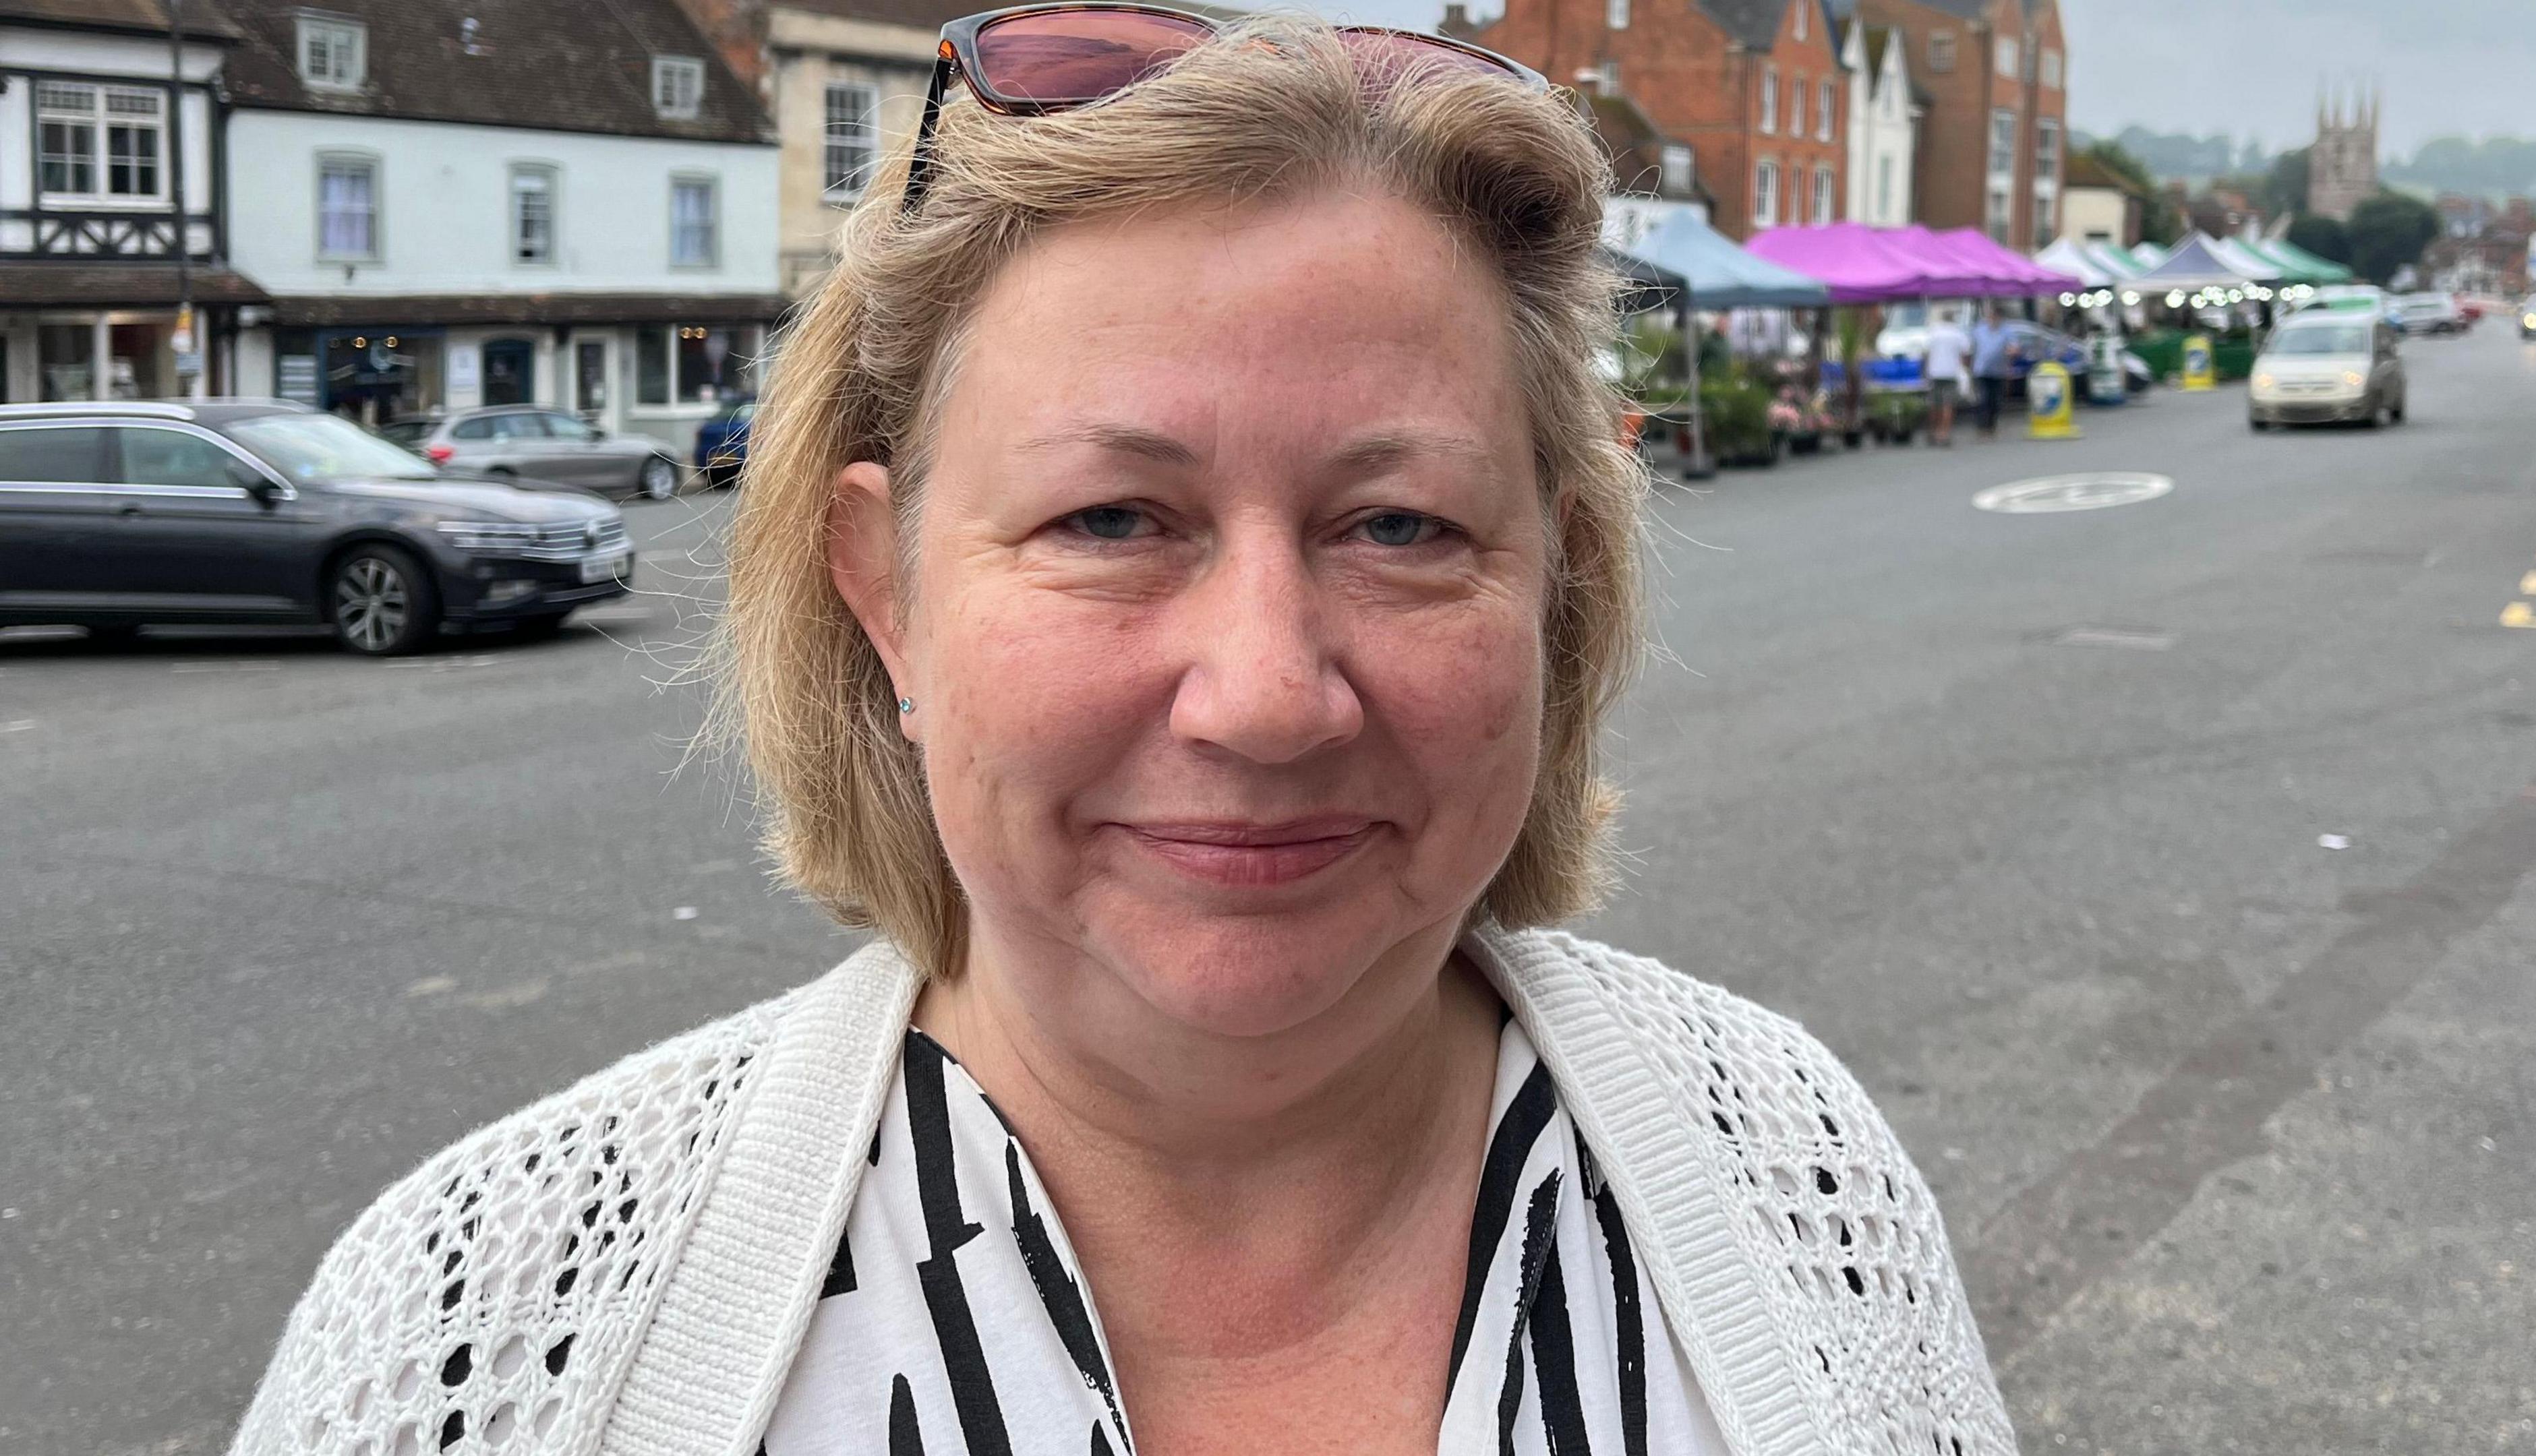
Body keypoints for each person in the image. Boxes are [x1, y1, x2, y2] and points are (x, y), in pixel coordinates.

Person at [225, 14, 2013, 1456]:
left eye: (1402, 527)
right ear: (887, 590)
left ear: (1556, 586)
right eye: (1110, 521)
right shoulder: (484, 1328)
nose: (1262, 697)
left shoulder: (1791, 1176)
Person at [1924, 307, 1974, 446]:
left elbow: (1926, 353)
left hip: (1935, 372)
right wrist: (1965, 369)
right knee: (1948, 404)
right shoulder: (1958, 334)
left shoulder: (1934, 333)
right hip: (1951, 372)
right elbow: (1966, 353)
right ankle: (1944, 434)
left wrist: (1926, 370)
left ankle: (1933, 431)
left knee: (1934, 403)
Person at [1970, 305, 2018, 437]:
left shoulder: (2006, 331)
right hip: (1981, 370)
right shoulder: (1979, 330)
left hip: (1999, 371)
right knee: (1983, 399)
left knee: (1995, 400)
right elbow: (1972, 348)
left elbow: (2014, 347)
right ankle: (1982, 427)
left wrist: (2011, 352)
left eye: (1996, 317)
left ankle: (1992, 425)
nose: (1993, 319)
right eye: (1991, 317)